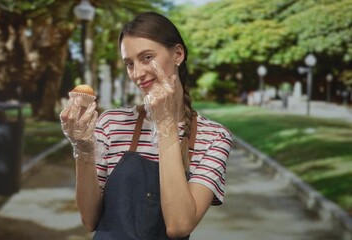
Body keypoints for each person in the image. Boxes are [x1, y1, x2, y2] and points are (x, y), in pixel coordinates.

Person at [59, 11, 233, 240]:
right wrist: (84, 150)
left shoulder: (214, 138)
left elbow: (179, 226)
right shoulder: (112, 124)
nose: (138, 73)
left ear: (178, 54)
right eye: (129, 64)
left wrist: (166, 126)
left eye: (147, 57)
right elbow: (90, 219)